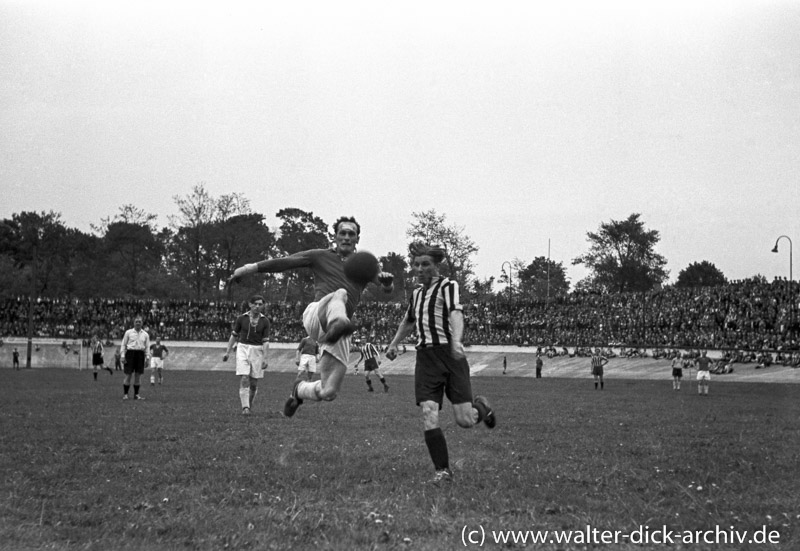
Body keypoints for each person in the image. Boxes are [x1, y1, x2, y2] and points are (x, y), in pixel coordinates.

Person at [227, 216, 394, 418]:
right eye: (343, 232)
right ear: (335, 236)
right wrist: (248, 268)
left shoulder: (365, 265)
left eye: (352, 233)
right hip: (317, 315)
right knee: (340, 293)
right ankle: (339, 322)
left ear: (358, 238)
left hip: (339, 333)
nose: (347, 237)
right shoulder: (319, 256)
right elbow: (284, 263)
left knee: (329, 391)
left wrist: (387, 283)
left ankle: (299, 391)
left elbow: (386, 288)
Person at [386, 242, 496, 485]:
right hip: (426, 359)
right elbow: (408, 320)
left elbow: (456, 312)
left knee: (464, 421)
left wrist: (457, 341)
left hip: (451, 356)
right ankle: (443, 471)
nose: (419, 269)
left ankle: (481, 408)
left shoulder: (448, 286)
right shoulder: (416, 294)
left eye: (425, 264)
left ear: (435, 266)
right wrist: (394, 343)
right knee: (429, 412)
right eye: (416, 264)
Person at [223, 295, 270, 415]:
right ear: (250, 304)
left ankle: (249, 404)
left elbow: (266, 341)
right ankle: (245, 408)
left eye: (260, 304)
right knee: (244, 377)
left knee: (254, 383)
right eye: (255, 304)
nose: (258, 306)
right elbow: (234, 335)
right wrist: (227, 352)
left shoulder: (265, 321)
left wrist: (265, 358)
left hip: (257, 350)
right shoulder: (241, 318)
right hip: (242, 348)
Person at [120, 317, 150, 400]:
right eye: (136, 321)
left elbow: (147, 347)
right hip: (130, 354)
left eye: (139, 322)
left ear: (142, 323)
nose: (138, 323)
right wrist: (122, 356)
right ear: (134, 323)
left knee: (138, 376)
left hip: (140, 354)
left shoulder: (145, 334)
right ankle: (125, 394)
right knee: (128, 375)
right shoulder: (128, 332)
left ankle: (136, 395)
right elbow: (123, 344)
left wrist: (147, 358)